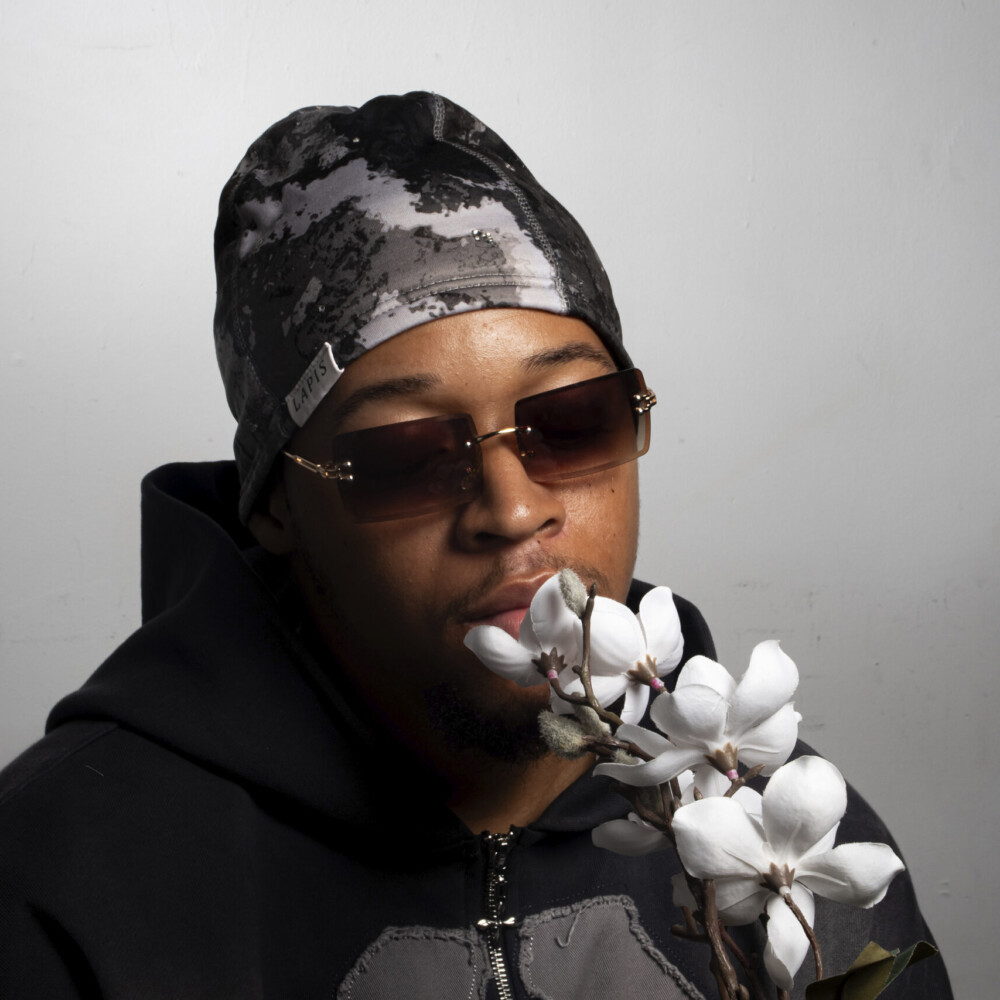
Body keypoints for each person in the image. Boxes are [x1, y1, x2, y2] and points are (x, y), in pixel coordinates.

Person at [0, 92, 949, 999]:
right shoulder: (63, 875)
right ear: (279, 503)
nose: (511, 509)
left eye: (572, 422)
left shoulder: (793, 842)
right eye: (405, 457)